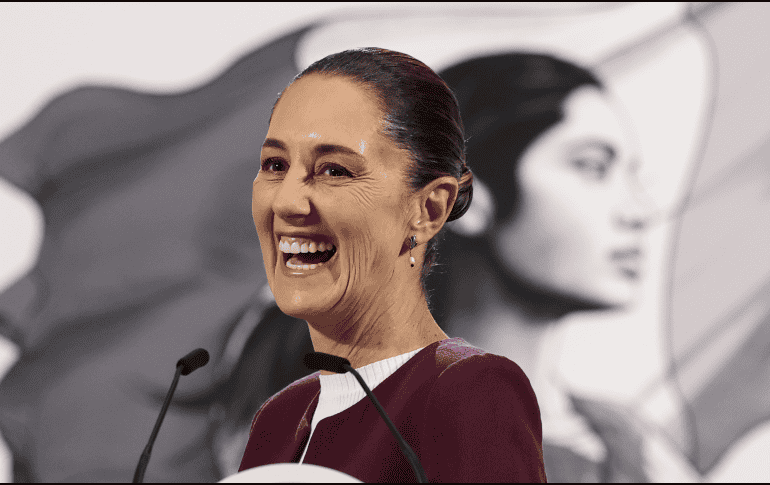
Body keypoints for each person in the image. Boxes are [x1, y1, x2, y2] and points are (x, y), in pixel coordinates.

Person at [236, 47, 546, 483]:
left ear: (428, 209)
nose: (286, 201)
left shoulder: (472, 391)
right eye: (275, 164)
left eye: (334, 170)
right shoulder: (278, 420)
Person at [425, 53, 655, 482]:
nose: (640, 211)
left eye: (632, 176)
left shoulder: (621, 437)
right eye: (592, 167)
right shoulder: (364, 436)